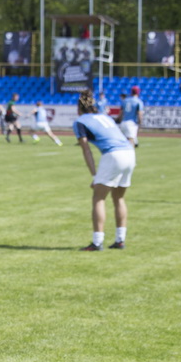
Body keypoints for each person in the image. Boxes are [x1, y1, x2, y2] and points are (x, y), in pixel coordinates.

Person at [72, 90, 136, 251]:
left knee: (98, 198)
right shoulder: (105, 117)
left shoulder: (80, 121)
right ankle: (120, 240)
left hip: (113, 155)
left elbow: (86, 150)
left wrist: (95, 175)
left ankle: (97, 242)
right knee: (119, 198)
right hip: (129, 153)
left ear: (79, 108)